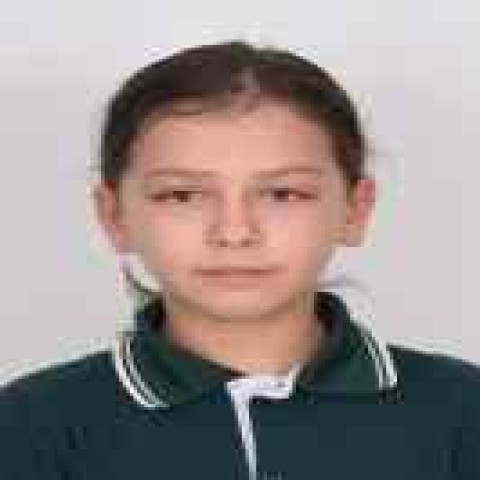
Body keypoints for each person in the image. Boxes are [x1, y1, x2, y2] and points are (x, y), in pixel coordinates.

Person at [0, 39, 479, 480]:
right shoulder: (27, 427)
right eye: (182, 195)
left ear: (355, 209)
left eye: (283, 194)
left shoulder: (462, 412)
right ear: (114, 216)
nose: (234, 233)